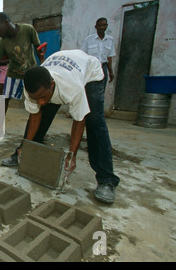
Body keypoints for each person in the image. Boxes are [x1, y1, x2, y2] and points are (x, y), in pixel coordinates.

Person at [12, 49, 120, 204]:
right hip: (61, 64)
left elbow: (79, 120)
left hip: (90, 74)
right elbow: (35, 116)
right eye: (35, 98)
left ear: (52, 85)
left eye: (43, 97)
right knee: (42, 111)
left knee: (94, 120)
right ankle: (22, 152)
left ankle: (107, 179)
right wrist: (25, 145)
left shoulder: (72, 88)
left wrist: (72, 155)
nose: (40, 101)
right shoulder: (32, 86)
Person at [0, 12, 45, 141]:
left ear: (6, 22)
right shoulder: (2, 43)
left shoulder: (27, 30)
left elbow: (39, 50)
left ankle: (39, 134)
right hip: (13, 74)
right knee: (3, 100)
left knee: (38, 103)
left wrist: (43, 67)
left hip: (31, 73)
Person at [81, 17, 116, 91]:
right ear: (96, 27)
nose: (102, 27)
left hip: (103, 67)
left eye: (104, 25)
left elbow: (109, 58)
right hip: (91, 68)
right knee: (89, 89)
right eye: (99, 25)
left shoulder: (110, 40)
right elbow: (83, 56)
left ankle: (100, 102)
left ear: (107, 25)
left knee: (101, 89)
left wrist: (111, 72)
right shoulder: (88, 39)